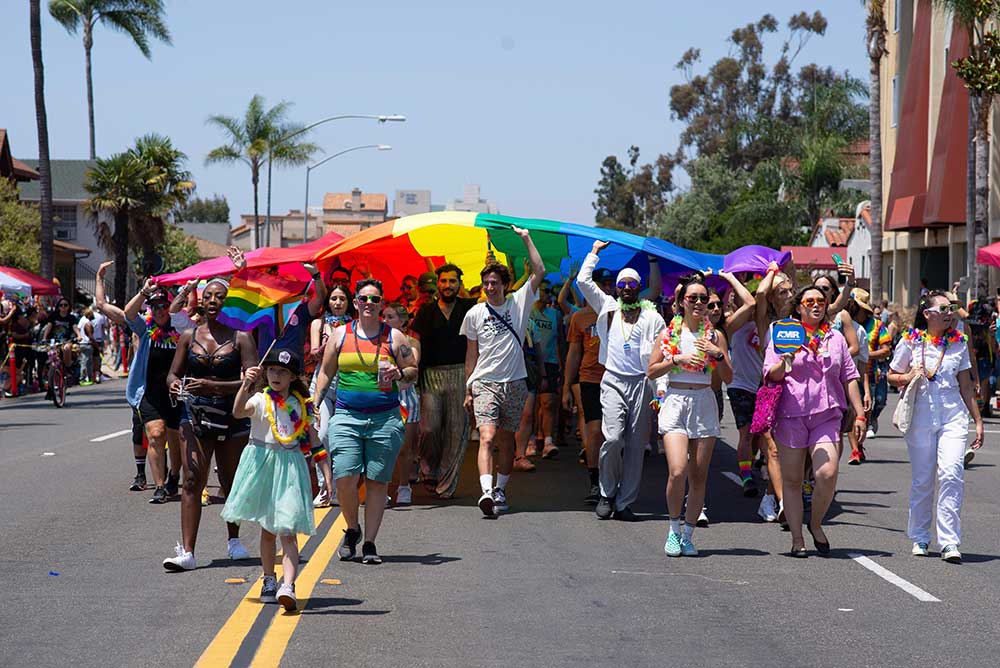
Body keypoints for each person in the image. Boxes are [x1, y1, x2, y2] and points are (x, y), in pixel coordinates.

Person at [314, 278, 418, 564]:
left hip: (385, 419)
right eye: (363, 299)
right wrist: (317, 400)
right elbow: (325, 372)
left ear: (382, 303)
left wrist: (399, 374)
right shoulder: (339, 335)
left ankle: (370, 543)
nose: (369, 304)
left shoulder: (395, 338)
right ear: (356, 302)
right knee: (344, 478)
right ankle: (352, 528)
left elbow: (413, 371)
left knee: (377, 481)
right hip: (347, 417)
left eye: (374, 299)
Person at [163, 277, 258, 571]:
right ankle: (188, 552)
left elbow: (253, 383)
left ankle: (234, 541)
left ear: (226, 301)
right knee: (192, 479)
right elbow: (172, 374)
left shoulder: (241, 337)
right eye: (209, 296)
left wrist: (214, 386)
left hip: (232, 416)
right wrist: (176, 386)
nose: (213, 300)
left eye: (219, 296)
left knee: (230, 483)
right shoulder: (189, 336)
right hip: (194, 414)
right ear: (201, 302)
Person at [764, 286, 866, 557]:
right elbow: (769, 375)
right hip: (790, 414)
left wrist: (860, 413)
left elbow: (849, 376)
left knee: (827, 473)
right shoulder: (783, 335)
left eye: (821, 301)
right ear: (799, 307)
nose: (816, 305)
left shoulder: (835, 337)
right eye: (809, 301)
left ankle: (816, 523)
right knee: (794, 480)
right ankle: (798, 539)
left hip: (827, 414)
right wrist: (785, 361)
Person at [225, 348, 329, 610]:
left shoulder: (301, 406)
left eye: (283, 371)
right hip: (263, 465)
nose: (276, 375)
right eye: (272, 370)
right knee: (268, 530)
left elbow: (316, 444)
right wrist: (245, 385)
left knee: (288, 530)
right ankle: (269, 579)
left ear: (293, 376)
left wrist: (328, 477)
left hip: (290, 467)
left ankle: (289, 585)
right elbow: (238, 412)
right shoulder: (260, 400)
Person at [887, 292, 984, 563]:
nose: (949, 312)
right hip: (920, 416)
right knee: (923, 480)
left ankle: (949, 541)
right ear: (928, 314)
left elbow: (965, 385)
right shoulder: (910, 342)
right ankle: (920, 536)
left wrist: (977, 421)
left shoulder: (959, 343)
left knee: (952, 474)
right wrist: (907, 376)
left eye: (952, 308)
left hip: (953, 415)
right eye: (943, 308)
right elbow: (891, 375)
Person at [577, 241, 666, 522]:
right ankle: (606, 493)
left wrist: (660, 392)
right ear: (615, 288)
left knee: (636, 445)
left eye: (632, 283)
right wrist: (594, 252)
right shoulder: (608, 307)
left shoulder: (652, 317)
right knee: (613, 439)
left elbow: (661, 354)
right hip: (613, 380)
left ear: (638, 288)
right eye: (622, 283)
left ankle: (625, 502)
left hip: (641, 384)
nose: (626, 287)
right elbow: (582, 280)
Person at [461, 226, 545, 517]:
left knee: (506, 441)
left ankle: (500, 489)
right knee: (486, 437)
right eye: (486, 282)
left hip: (515, 383)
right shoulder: (474, 314)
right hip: (485, 383)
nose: (490, 287)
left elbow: (539, 270)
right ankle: (486, 492)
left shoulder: (519, 303)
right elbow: (471, 353)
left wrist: (525, 238)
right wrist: (468, 387)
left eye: (495, 282)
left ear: (505, 284)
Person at [648, 273, 732, 556]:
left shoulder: (715, 335)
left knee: (698, 476)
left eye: (703, 299)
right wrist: (676, 359)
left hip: (704, 402)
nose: (698, 302)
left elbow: (729, 377)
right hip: (675, 401)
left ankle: (687, 534)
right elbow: (650, 371)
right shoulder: (668, 333)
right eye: (692, 298)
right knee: (678, 470)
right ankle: (672, 530)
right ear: (681, 302)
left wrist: (717, 354)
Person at [409, 264, 478, 498]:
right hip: (430, 375)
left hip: (461, 373)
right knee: (429, 428)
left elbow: (494, 295)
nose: (448, 285)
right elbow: (415, 340)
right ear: (437, 284)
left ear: (460, 284)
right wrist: (413, 363)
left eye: (452, 281)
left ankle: (447, 482)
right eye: (444, 281)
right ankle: (429, 468)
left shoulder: (469, 308)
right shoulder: (426, 311)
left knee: (456, 432)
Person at [563, 269, 614, 503]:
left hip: (616, 380)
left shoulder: (620, 313)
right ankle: (595, 482)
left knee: (615, 436)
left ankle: (612, 480)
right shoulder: (580, 317)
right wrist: (566, 387)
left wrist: (652, 259)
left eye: (608, 283)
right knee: (594, 431)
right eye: (600, 283)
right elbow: (574, 354)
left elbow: (653, 291)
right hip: (590, 379)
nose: (605, 287)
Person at [753, 263, 795, 523]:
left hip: (799, 392)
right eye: (782, 292)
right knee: (773, 450)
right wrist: (771, 272)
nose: (789, 296)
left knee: (793, 453)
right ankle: (784, 504)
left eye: (791, 291)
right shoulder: (765, 322)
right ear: (772, 297)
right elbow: (758, 295)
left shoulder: (802, 320)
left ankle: (770, 496)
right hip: (771, 390)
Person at [308, 283, 355, 507]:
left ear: (349, 302)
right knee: (322, 432)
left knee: (346, 438)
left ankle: (345, 486)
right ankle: (324, 487)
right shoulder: (318, 324)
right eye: (334, 298)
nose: (337, 303)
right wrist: (323, 347)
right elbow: (314, 354)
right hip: (323, 385)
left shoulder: (355, 326)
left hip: (348, 384)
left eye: (342, 299)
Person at [384, 301, 421, 506]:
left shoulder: (412, 342)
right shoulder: (376, 341)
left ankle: (404, 486)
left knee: (404, 447)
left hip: (406, 398)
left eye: (391, 317)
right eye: (384, 317)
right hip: (384, 397)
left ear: (403, 320)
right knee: (384, 446)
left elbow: (411, 369)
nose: (385, 321)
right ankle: (384, 488)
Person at [527, 280, 564, 459]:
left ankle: (548, 441)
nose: (547, 294)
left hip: (550, 362)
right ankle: (531, 439)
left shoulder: (554, 314)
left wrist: (562, 365)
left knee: (549, 402)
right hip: (530, 361)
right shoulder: (527, 311)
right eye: (543, 290)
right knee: (531, 405)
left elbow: (560, 341)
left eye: (549, 291)